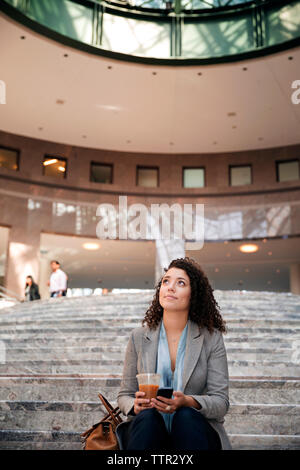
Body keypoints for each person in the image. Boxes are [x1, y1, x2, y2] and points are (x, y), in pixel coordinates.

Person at [116, 257, 232, 450]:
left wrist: (188, 401)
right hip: (148, 432)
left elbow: (221, 402)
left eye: (181, 283)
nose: (170, 287)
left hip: (194, 433)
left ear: (194, 294)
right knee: (147, 418)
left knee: (185, 415)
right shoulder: (138, 337)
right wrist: (134, 406)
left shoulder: (211, 338)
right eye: (166, 281)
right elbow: (124, 395)